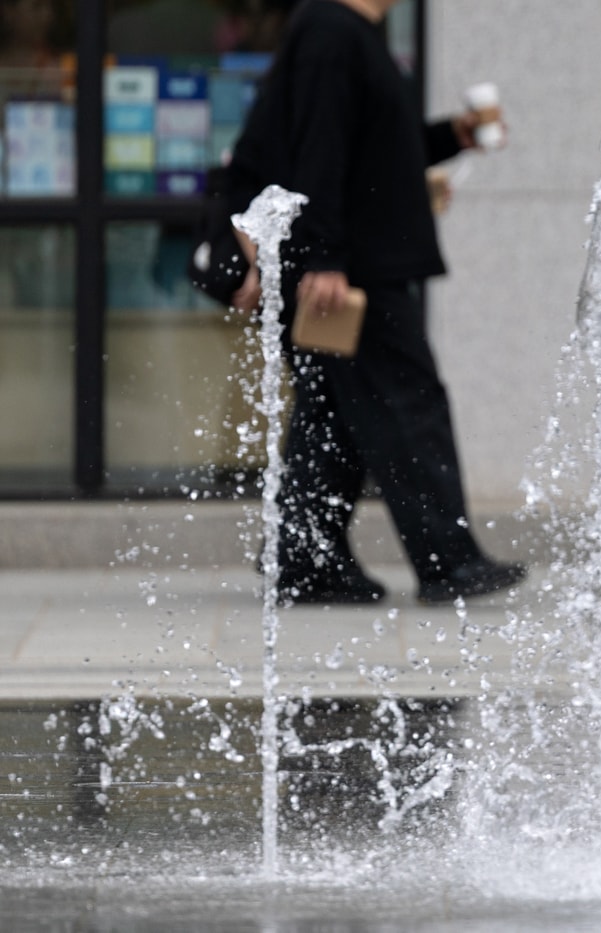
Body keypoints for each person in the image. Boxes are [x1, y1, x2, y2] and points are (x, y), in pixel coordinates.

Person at [225, 0, 526, 605]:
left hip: (350, 263)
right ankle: (448, 561)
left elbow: (369, 147)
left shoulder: (344, 32)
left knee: (332, 412)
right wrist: (325, 257)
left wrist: (450, 137)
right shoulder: (331, 30)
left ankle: (304, 561)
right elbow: (319, 145)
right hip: (354, 271)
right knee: (408, 402)